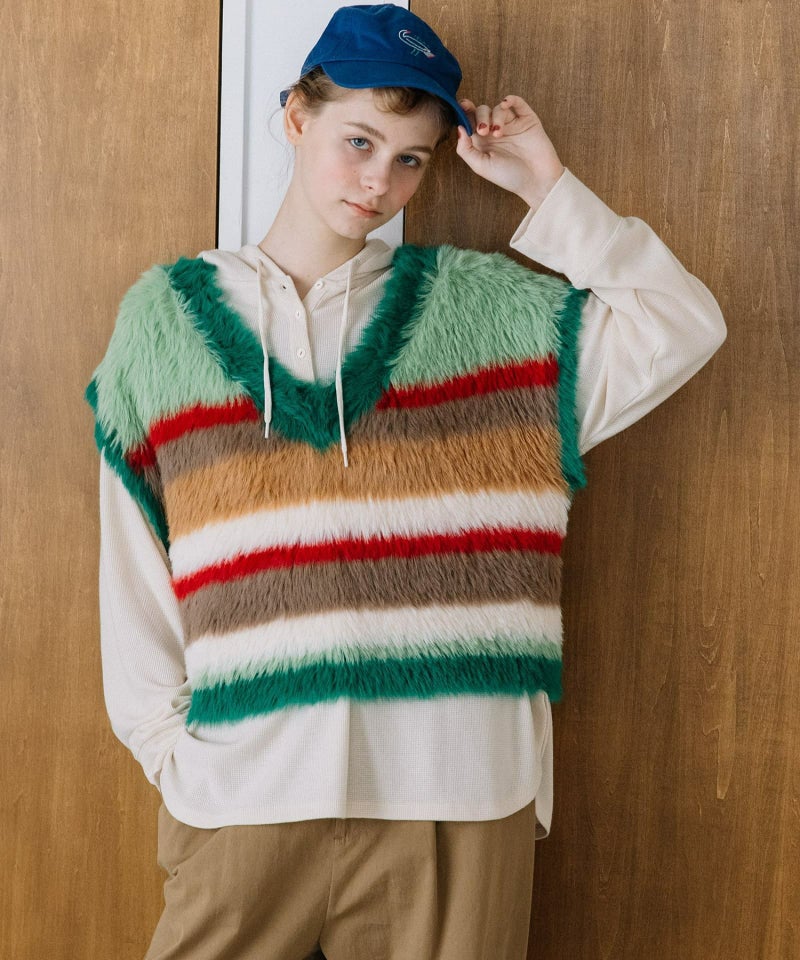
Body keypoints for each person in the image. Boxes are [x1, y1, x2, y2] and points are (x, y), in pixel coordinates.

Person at [86, 4, 726, 959]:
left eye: (411, 159)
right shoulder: (165, 327)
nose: (378, 181)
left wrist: (546, 187)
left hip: (456, 802)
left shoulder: (496, 321)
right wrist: (177, 757)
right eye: (358, 140)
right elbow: (136, 574)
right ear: (296, 116)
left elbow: (682, 323)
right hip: (244, 802)